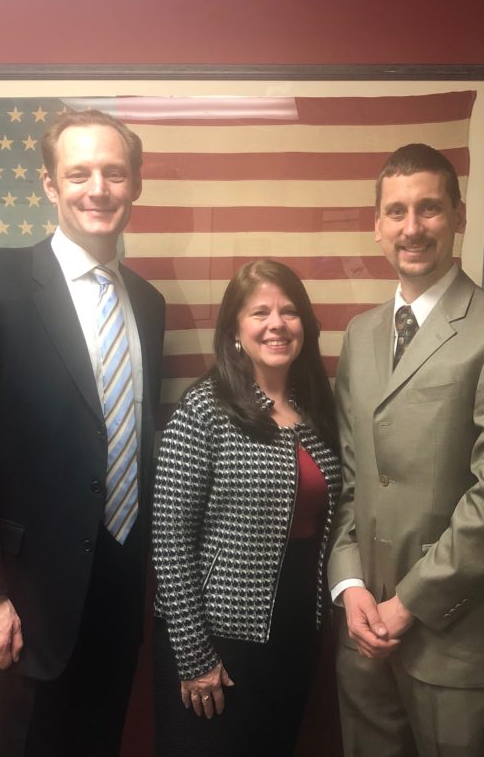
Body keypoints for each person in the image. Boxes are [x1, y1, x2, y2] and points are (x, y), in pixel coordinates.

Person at [0, 109, 165, 756]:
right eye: (79, 174)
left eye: (114, 173)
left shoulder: (148, 304)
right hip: (13, 608)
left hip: (113, 602)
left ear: (136, 184)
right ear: (51, 185)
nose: (98, 189)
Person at [327, 143, 484, 757]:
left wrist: (409, 604)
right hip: (363, 638)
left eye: (428, 208)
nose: (412, 227)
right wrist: (349, 587)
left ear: (459, 215)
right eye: (396, 211)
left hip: (459, 646)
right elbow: (350, 478)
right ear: (377, 226)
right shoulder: (360, 335)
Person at [151, 259, 342, 756]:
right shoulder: (204, 409)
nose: (277, 324)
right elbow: (169, 542)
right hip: (219, 634)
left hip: (297, 628)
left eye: (289, 311)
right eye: (260, 312)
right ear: (235, 330)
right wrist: (194, 655)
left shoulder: (318, 408)